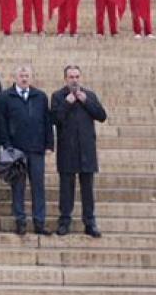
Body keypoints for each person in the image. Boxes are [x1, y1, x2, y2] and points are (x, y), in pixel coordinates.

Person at [0, 65, 53, 236]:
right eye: (21, 75)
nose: (24, 78)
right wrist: (6, 145)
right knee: (18, 187)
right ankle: (20, 221)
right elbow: (2, 122)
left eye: (27, 75)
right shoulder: (5, 97)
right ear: (15, 77)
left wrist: (49, 144)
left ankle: (39, 222)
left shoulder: (40, 96)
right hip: (16, 151)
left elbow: (47, 121)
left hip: (36, 149)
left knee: (38, 186)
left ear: (31, 77)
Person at [51, 64, 106, 237]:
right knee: (66, 188)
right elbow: (54, 119)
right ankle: (64, 221)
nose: (74, 80)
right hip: (67, 149)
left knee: (87, 189)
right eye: (71, 77)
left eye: (76, 77)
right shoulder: (58, 96)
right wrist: (67, 104)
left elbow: (101, 115)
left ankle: (89, 222)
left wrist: (86, 101)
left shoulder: (89, 95)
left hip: (86, 149)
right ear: (65, 79)